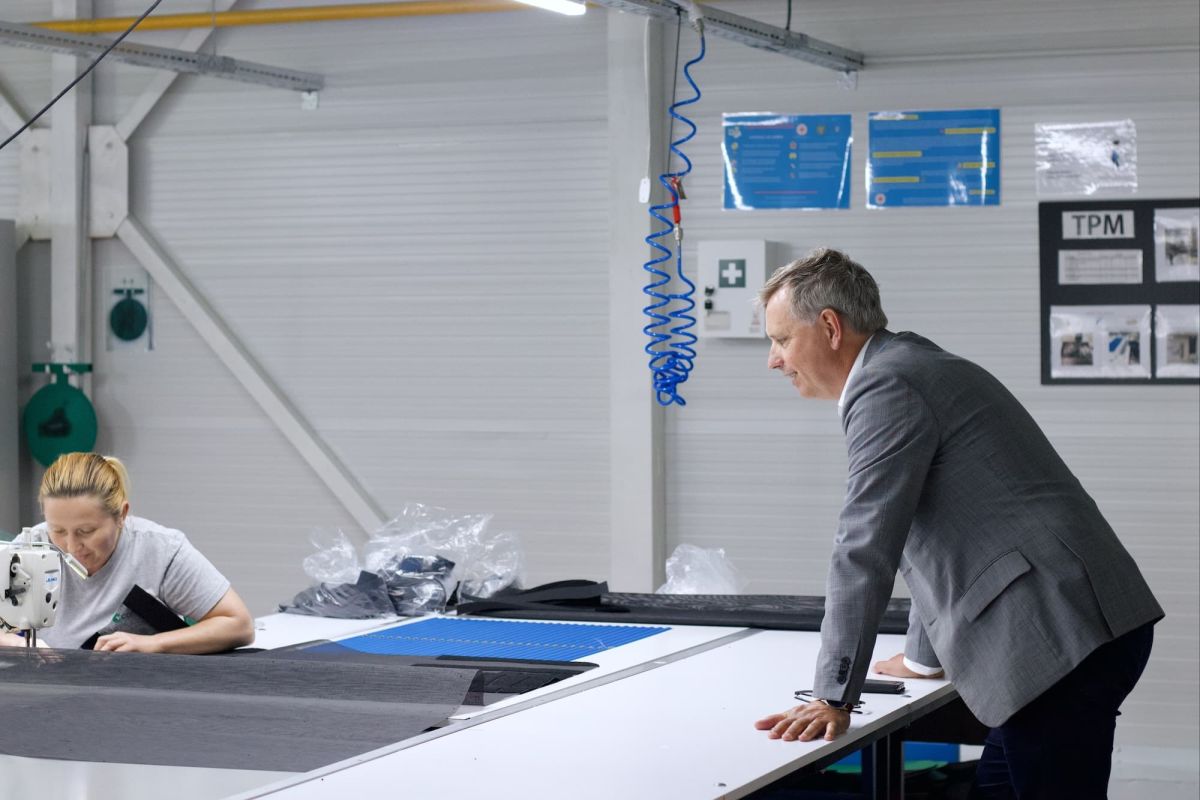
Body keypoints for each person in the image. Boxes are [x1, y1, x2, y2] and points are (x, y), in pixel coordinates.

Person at [751, 249, 1163, 799]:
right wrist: (921, 660)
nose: (774, 360)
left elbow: (865, 545)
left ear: (830, 327)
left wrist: (832, 694)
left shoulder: (886, 386)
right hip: (1072, 625)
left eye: (781, 339)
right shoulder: (911, 365)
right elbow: (934, 532)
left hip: (1054, 635)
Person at [0, 452, 254, 653]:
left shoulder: (160, 551)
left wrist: (153, 644)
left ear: (121, 515)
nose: (71, 546)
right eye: (57, 530)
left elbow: (239, 625)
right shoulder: (31, 547)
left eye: (86, 531)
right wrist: (16, 643)